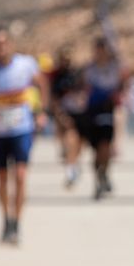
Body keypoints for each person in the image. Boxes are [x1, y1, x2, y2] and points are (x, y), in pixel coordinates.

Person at [0, 26, 48, 244]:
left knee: (21, 176)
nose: (1, 48)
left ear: (11, 44)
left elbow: (42, 83)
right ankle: (6, 219)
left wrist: (41, 111)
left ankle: (17, 222)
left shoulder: (25, 64)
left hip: (21, 129)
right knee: (3, 179)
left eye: (4, 43)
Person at [83, 36, 125, 200]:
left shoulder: (114, 67)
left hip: (107, 110)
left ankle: (104, 173)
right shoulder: (89, 69)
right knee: (95, 151)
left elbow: (122, 80)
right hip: (92, 111)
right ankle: (98, 178)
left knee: (105, 146)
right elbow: (84, 88)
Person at [47, 45, 87, 188]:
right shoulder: (56, 76)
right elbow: (53, 98)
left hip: (79, 114)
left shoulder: (77, 73)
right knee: (70, 140)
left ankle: (73, 165)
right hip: (64, 114)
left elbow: (84, 92)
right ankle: (71, 169)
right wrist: (60, 116)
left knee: (77, 144)